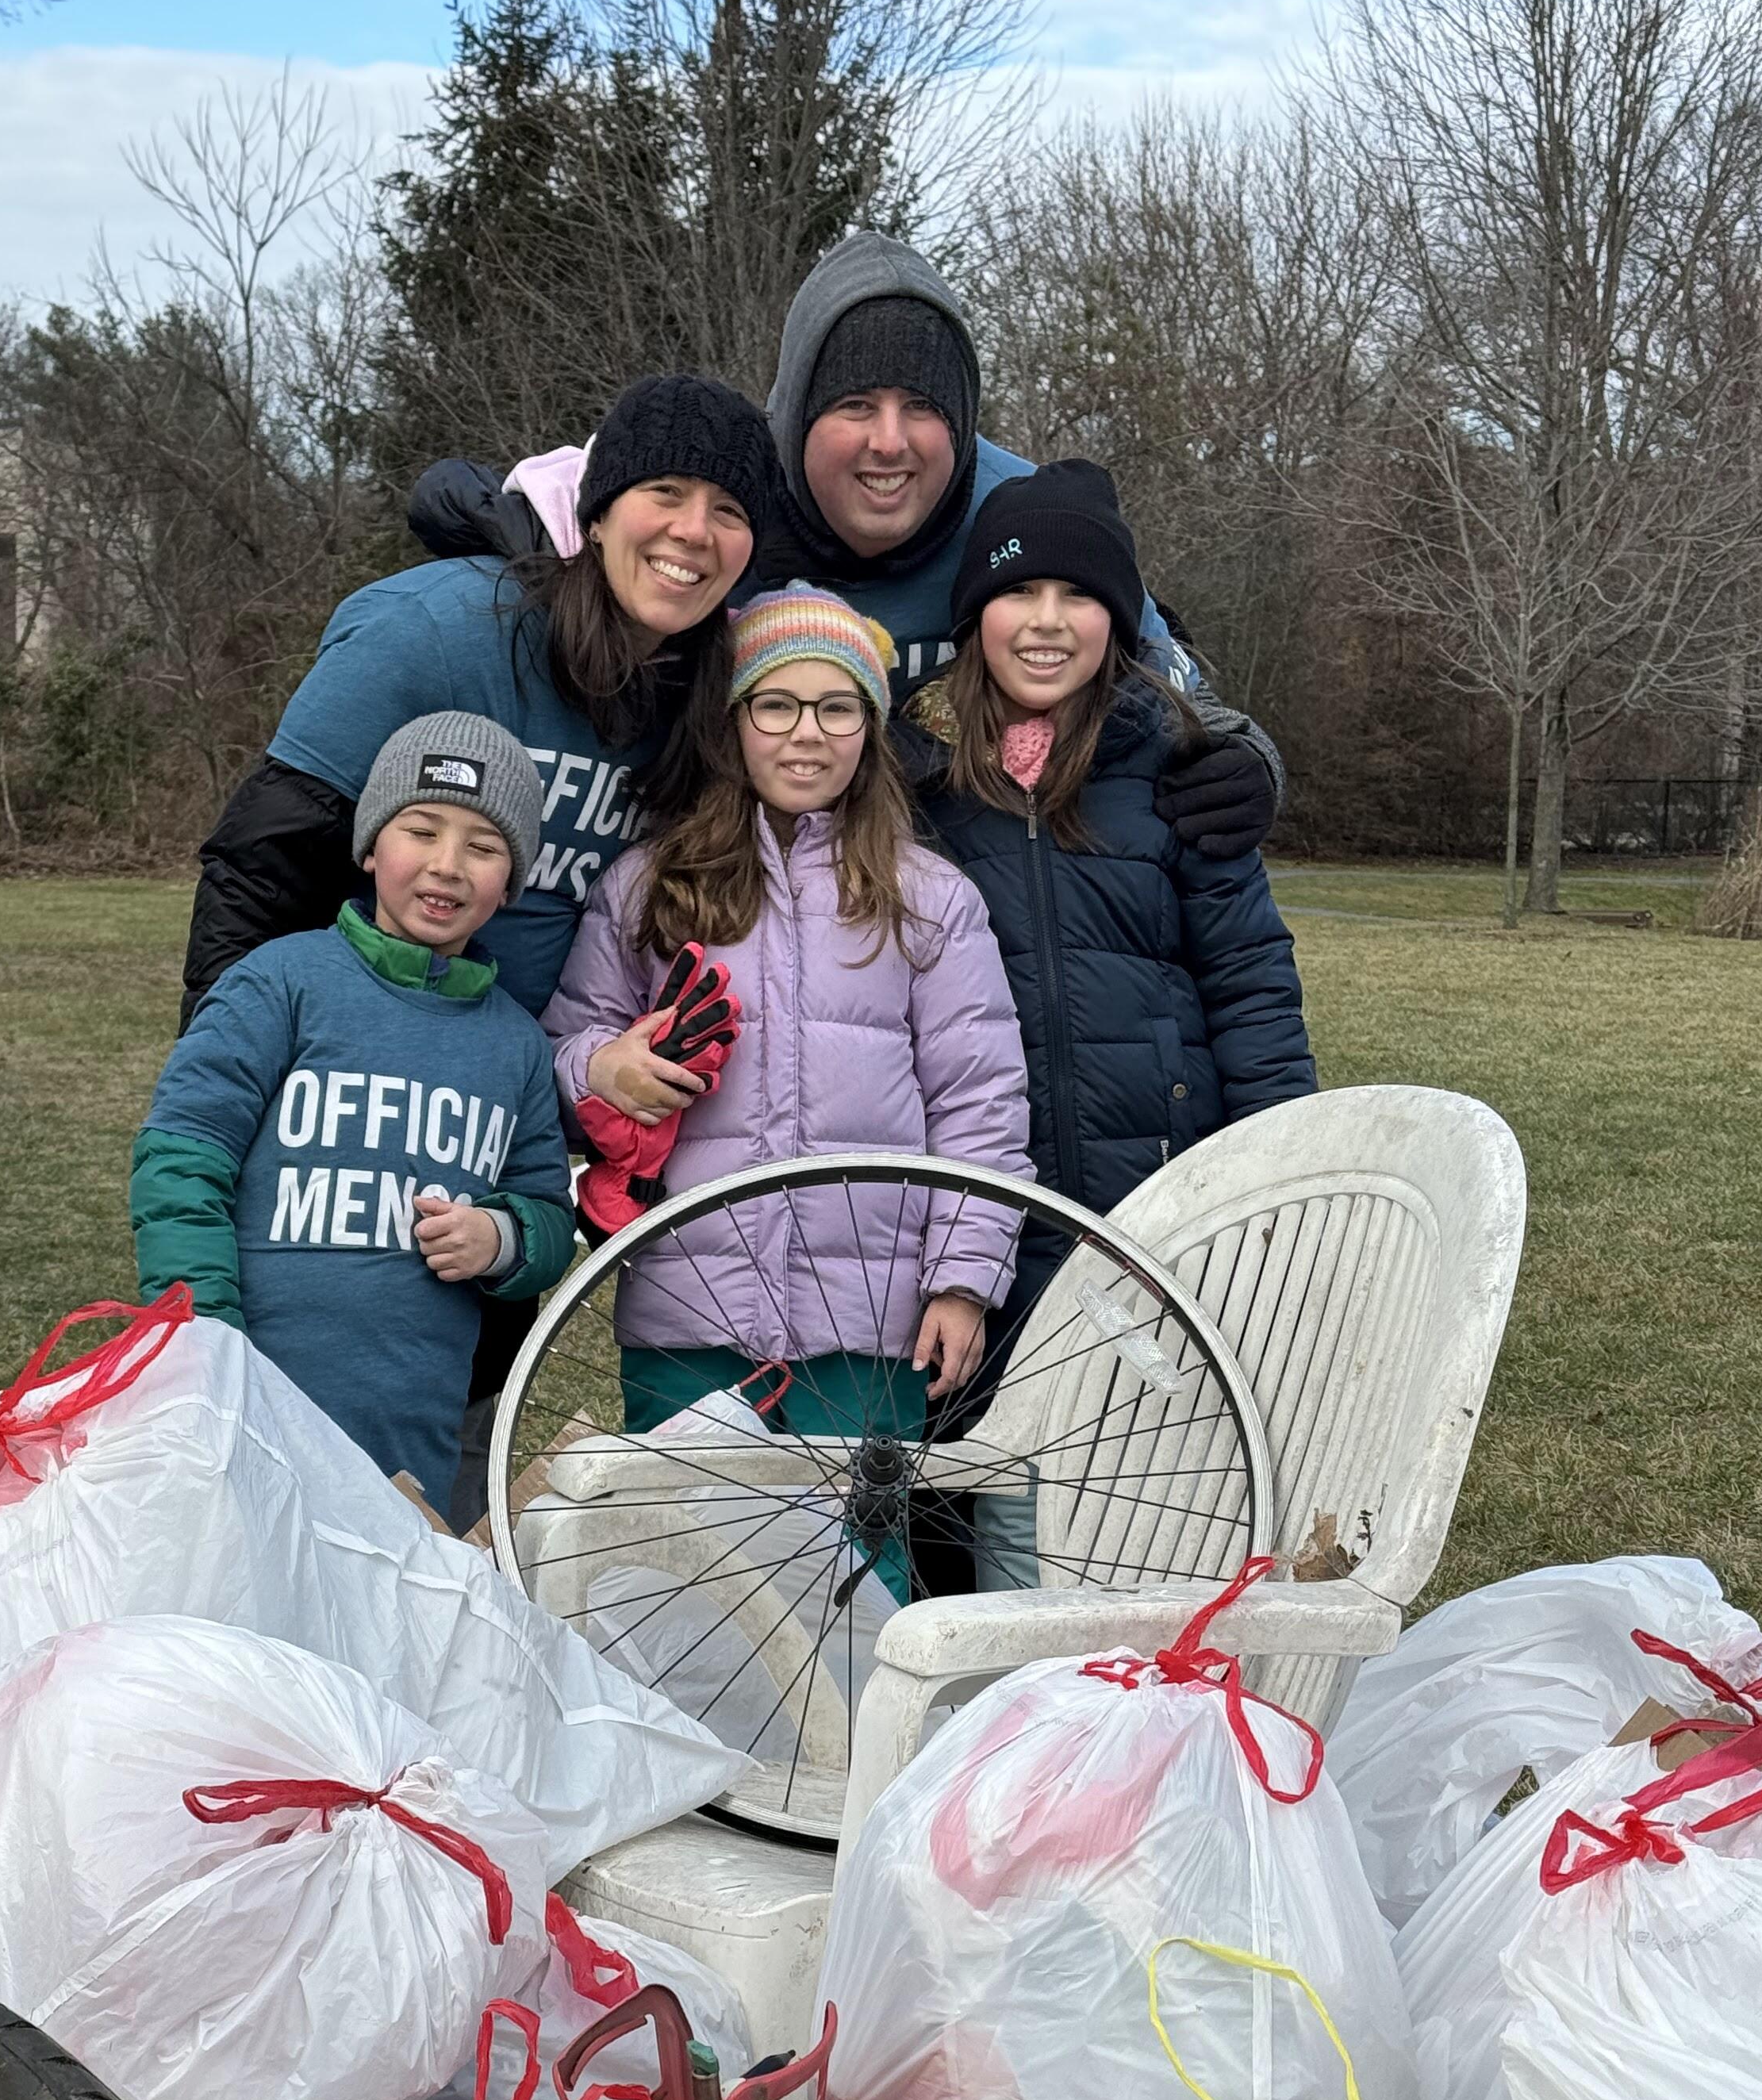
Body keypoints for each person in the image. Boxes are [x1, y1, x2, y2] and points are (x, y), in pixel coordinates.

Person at [406, 229, 1284, 862]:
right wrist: (515, 536)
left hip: (971, 917)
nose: (890, 443)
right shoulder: (725, 504)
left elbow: (1162, 669)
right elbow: (575, 499)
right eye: (855, 406)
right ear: (794, 417)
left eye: (925, 409)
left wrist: (1249, 764)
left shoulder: (1019, 512)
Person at [899, 460, 1314, 1581]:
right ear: (972, 618)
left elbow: (1253, 993)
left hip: (1159, 1222)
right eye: (1017, 595)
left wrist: (1282, 1190)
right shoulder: (925, 800)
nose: (1046, 624)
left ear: (1120, 620)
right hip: (992, 1227)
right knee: (990, 1527)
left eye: (1078, 597)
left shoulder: (1180, 778)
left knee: (1154, 1522)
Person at [544, 583, 1031, 1523]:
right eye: (776, 703)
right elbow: (564, 1055)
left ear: (870, 726)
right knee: (679, 1566)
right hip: (689, 1310)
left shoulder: (930, 899)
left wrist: (965, 1280)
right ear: (734, 722)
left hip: (871, 1322)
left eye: (837, 705)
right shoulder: (650, 888)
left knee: (855, 1578)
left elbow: (982, 1106)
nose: (806, 732)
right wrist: (604, 1070)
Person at [178, 372, 780, 1028]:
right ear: (598, 514)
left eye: (730, 510)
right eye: (665, 491)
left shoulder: (721, 689)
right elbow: (262, 869)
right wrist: (222, 1069)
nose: (695, 530)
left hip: (535, 1086)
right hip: (354, 1058)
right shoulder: (438, 626)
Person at [132, 713, 577, 1515]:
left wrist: (500, 1237)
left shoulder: (514, 1044)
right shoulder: (280, 984)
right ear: (372, 845)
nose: (447, 866)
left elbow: (548, 1217)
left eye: (483, 847)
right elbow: (181, 1161)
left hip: (407, 1445)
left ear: (510, 881)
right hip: (240, 1413)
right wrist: (203, 1341)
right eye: (422, 831)